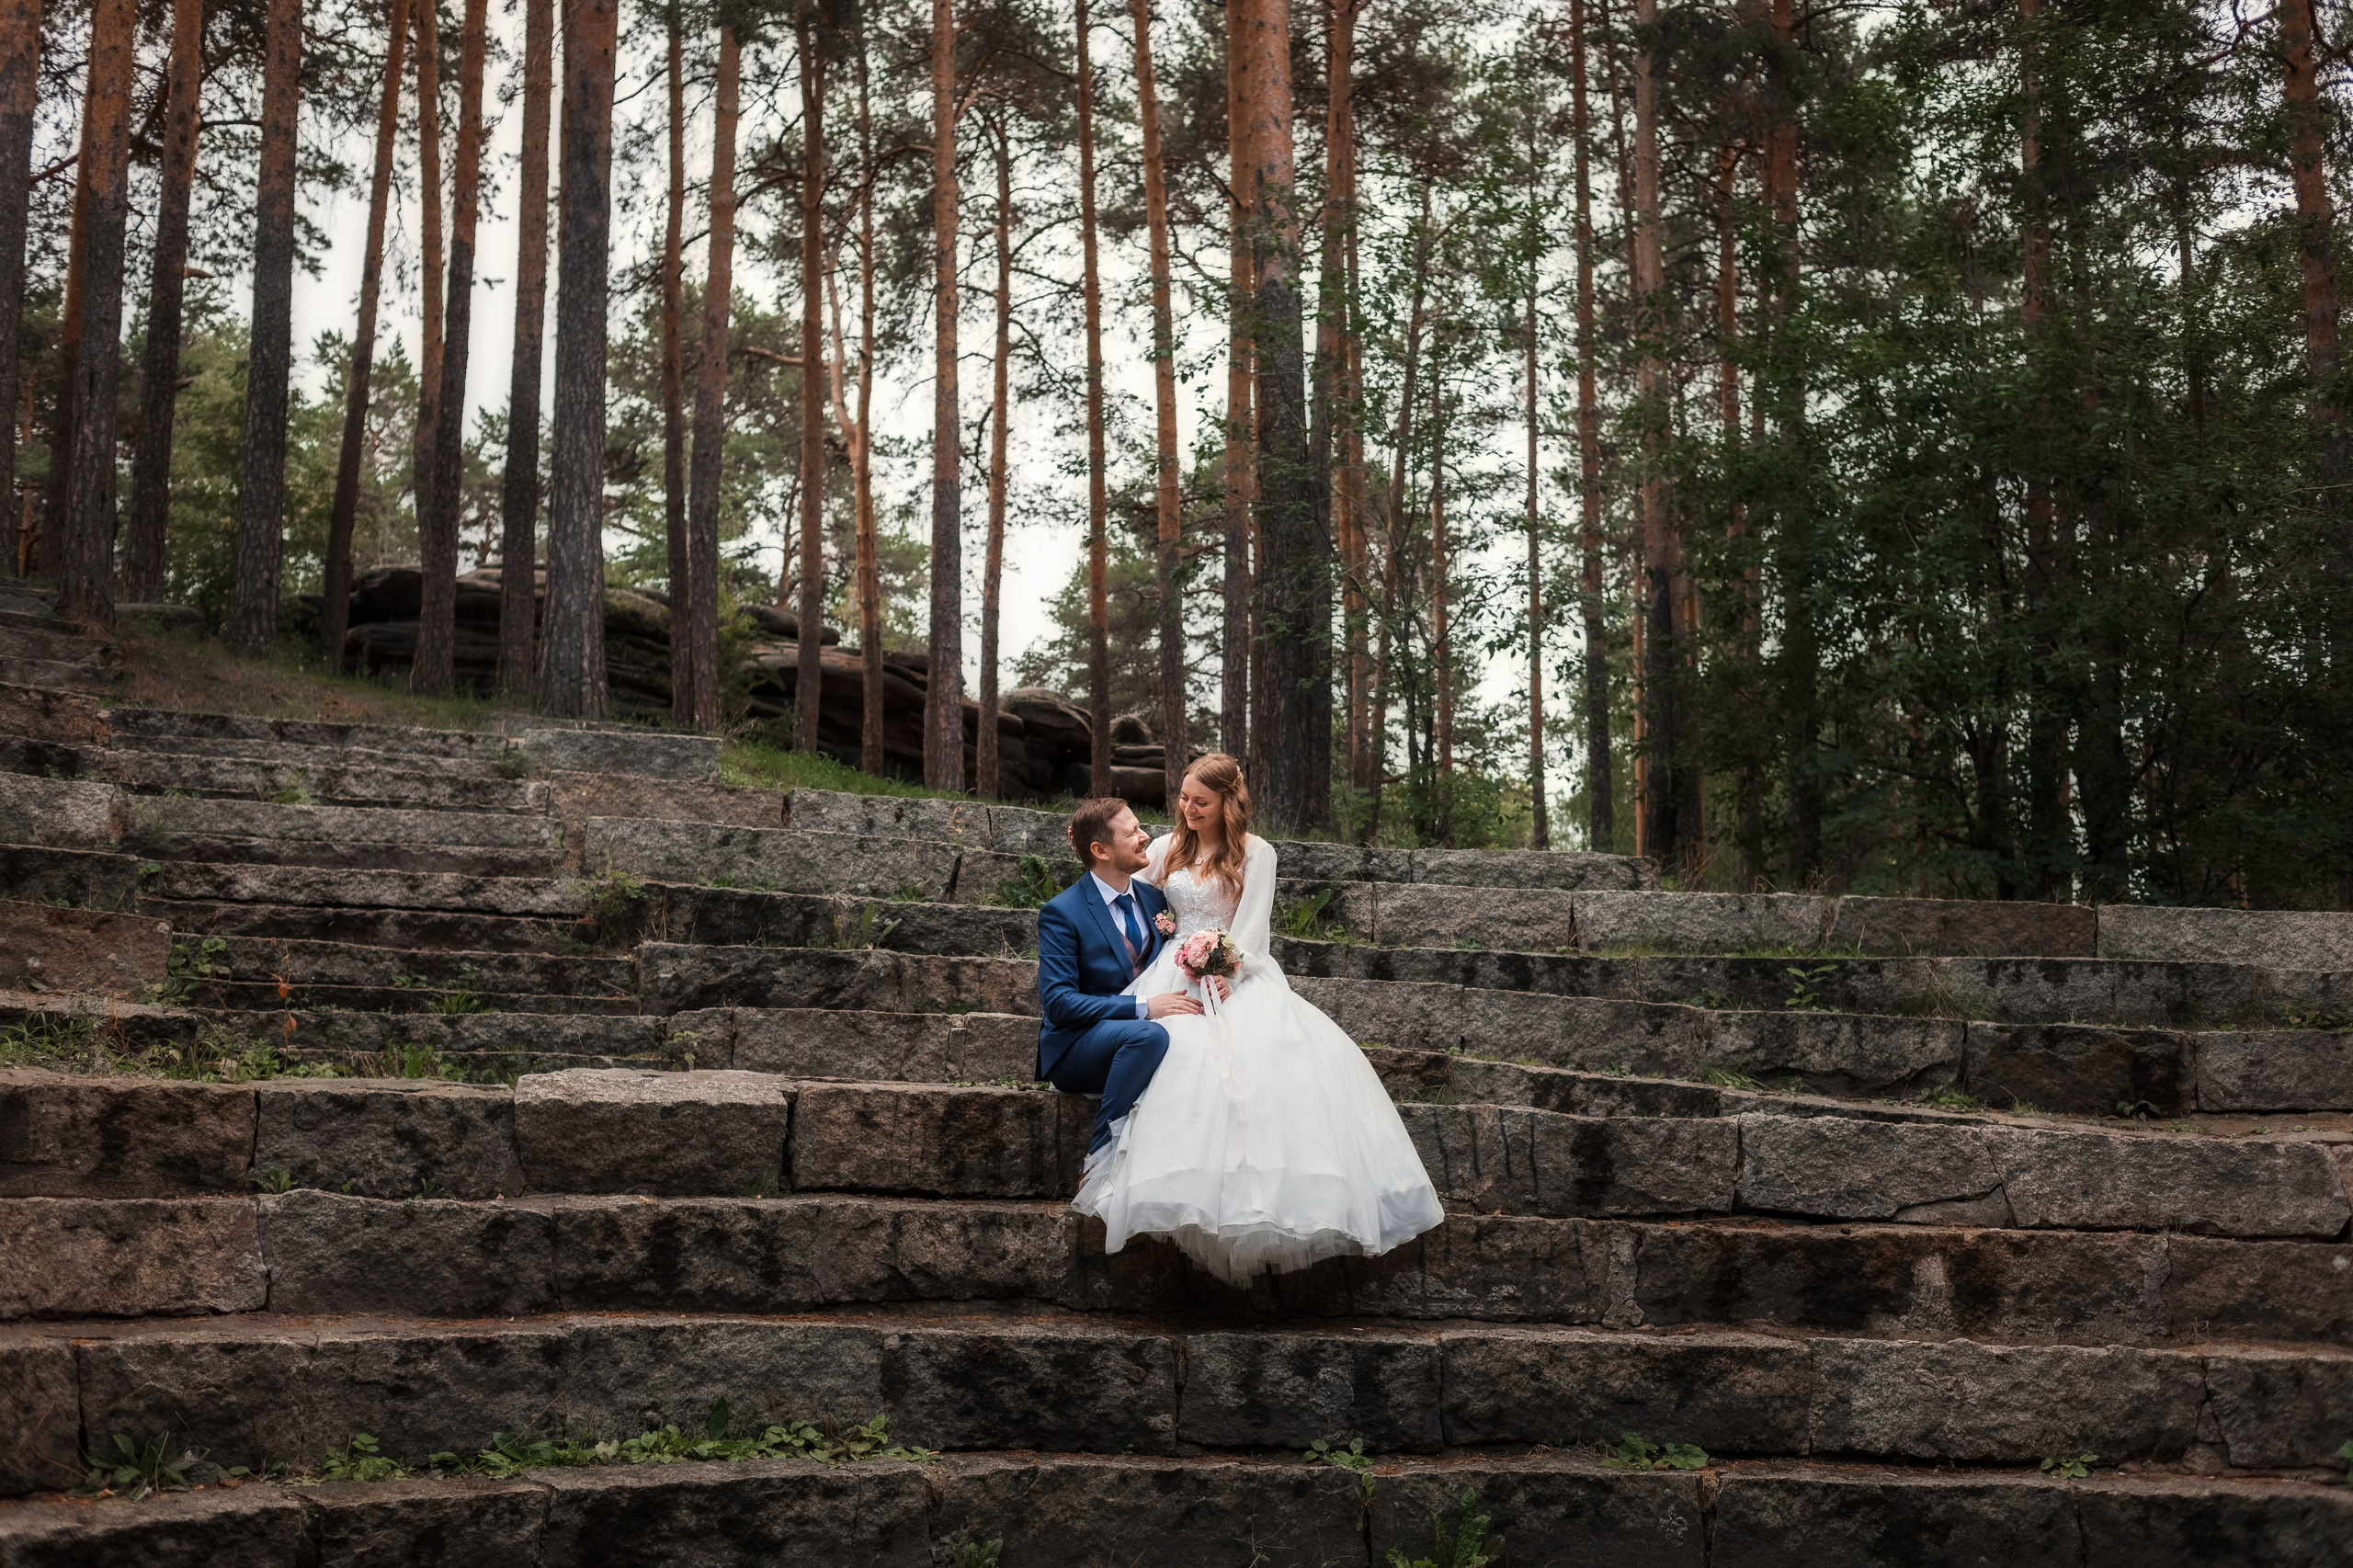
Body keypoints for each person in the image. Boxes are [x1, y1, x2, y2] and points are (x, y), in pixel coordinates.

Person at [1069, 753, 1445, 1288]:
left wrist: (1226, 969)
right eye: (1183, 798)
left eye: (1201, 802)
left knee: (1255, 1069)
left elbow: (1252, 932)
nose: (1188, 809)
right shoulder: (1167, 848)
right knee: (1168, 1049)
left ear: (1228, 802)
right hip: (1169, 972)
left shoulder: (1256, 853)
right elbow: (1127, 888)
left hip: (1231, 970)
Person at [1034, 796, 1204, 1154]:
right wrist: (1144, 1006)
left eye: (1140, 826)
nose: (1145, 837)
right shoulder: (1062, 913)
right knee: (1148, 1036)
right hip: (1078, 1045)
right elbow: (1059, 1004)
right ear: (1101, 850)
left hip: (1138, 1033)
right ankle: (1101, 1155)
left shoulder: (1155, 900)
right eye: (1132, 833)